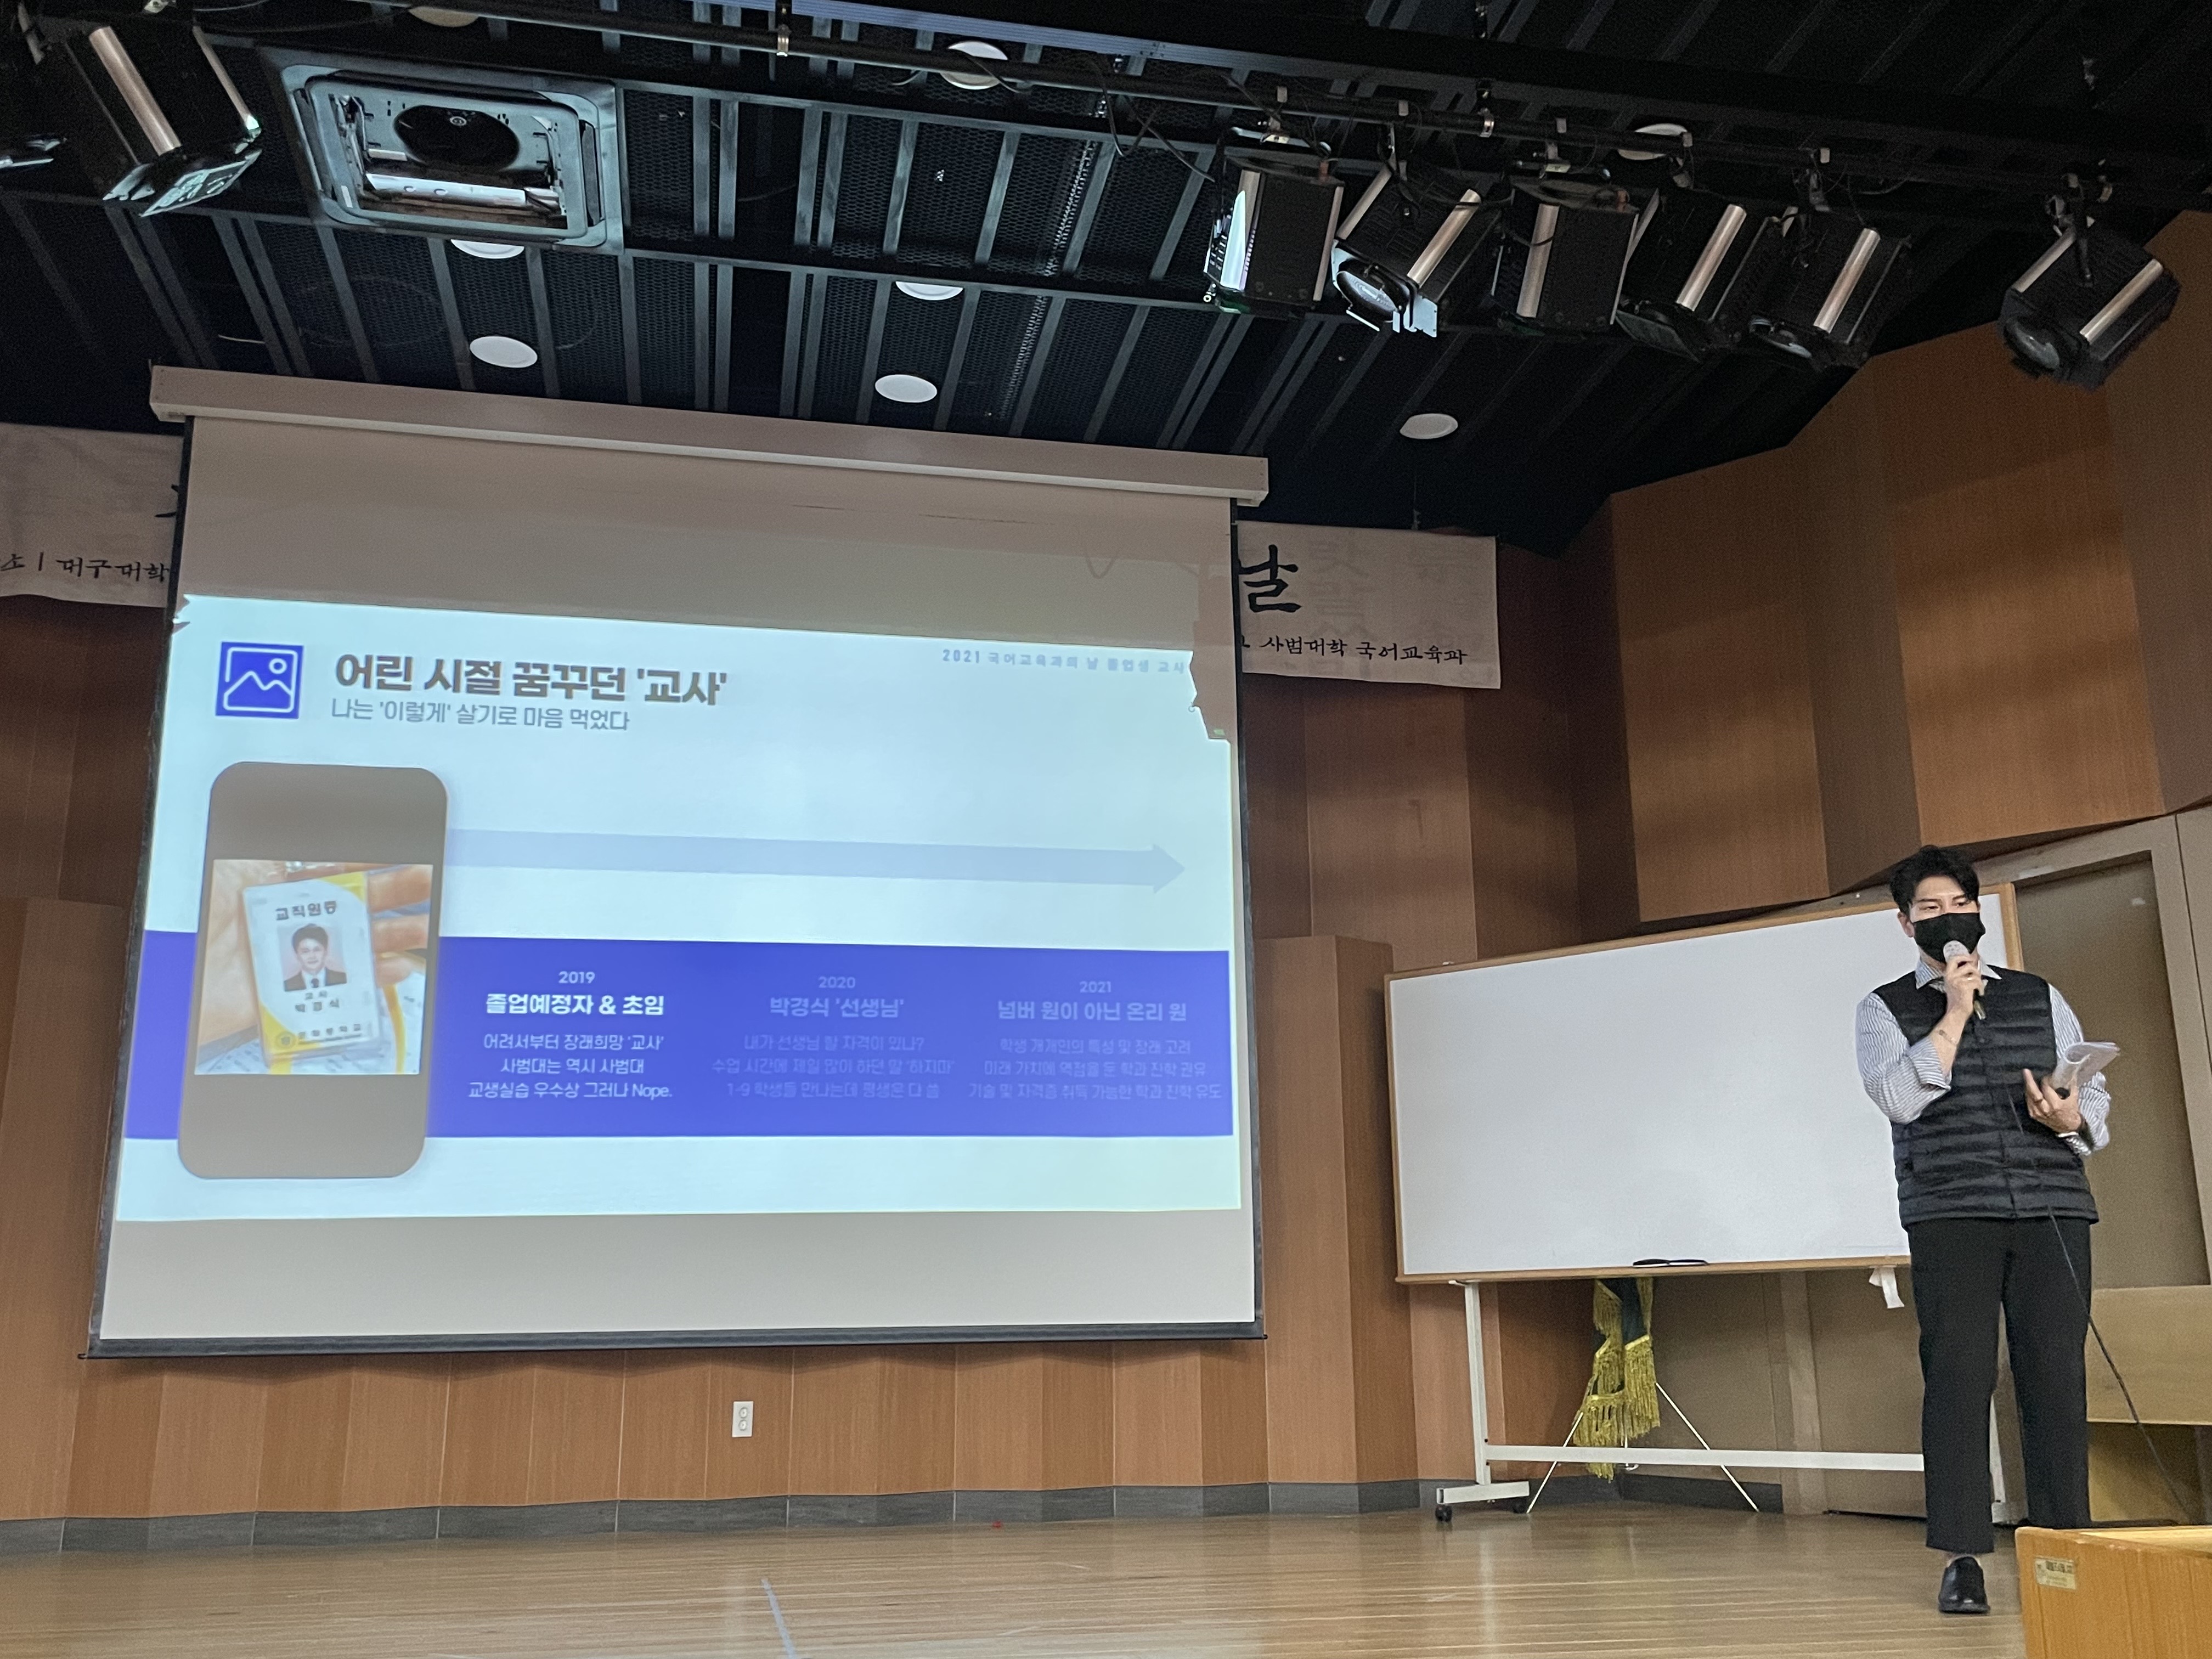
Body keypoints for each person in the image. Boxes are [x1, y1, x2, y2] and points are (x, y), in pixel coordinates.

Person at [1855, 845, 2109, 1616]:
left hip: (2051, 1208)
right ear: (1907, 925)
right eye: (1929, 909)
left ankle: (2063, 1548)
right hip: (1951, 1214)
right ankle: (1962, 1557)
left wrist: (2071, 1116)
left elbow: (2090, 1099)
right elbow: (1898, 1098)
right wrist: (1956, 1012)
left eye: (1959, 904)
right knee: (1959, 1380)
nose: (1948, 918)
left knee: (2055, 1377)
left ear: (1979, 913)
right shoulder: (1884, 1007)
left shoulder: (2038, 995)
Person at [283, 924, 348, 992]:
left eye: (317, 950)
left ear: (326, 952)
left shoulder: (343, 979)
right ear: (297, 955)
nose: (312, 956)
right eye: (305, 952)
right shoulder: (287, 986)